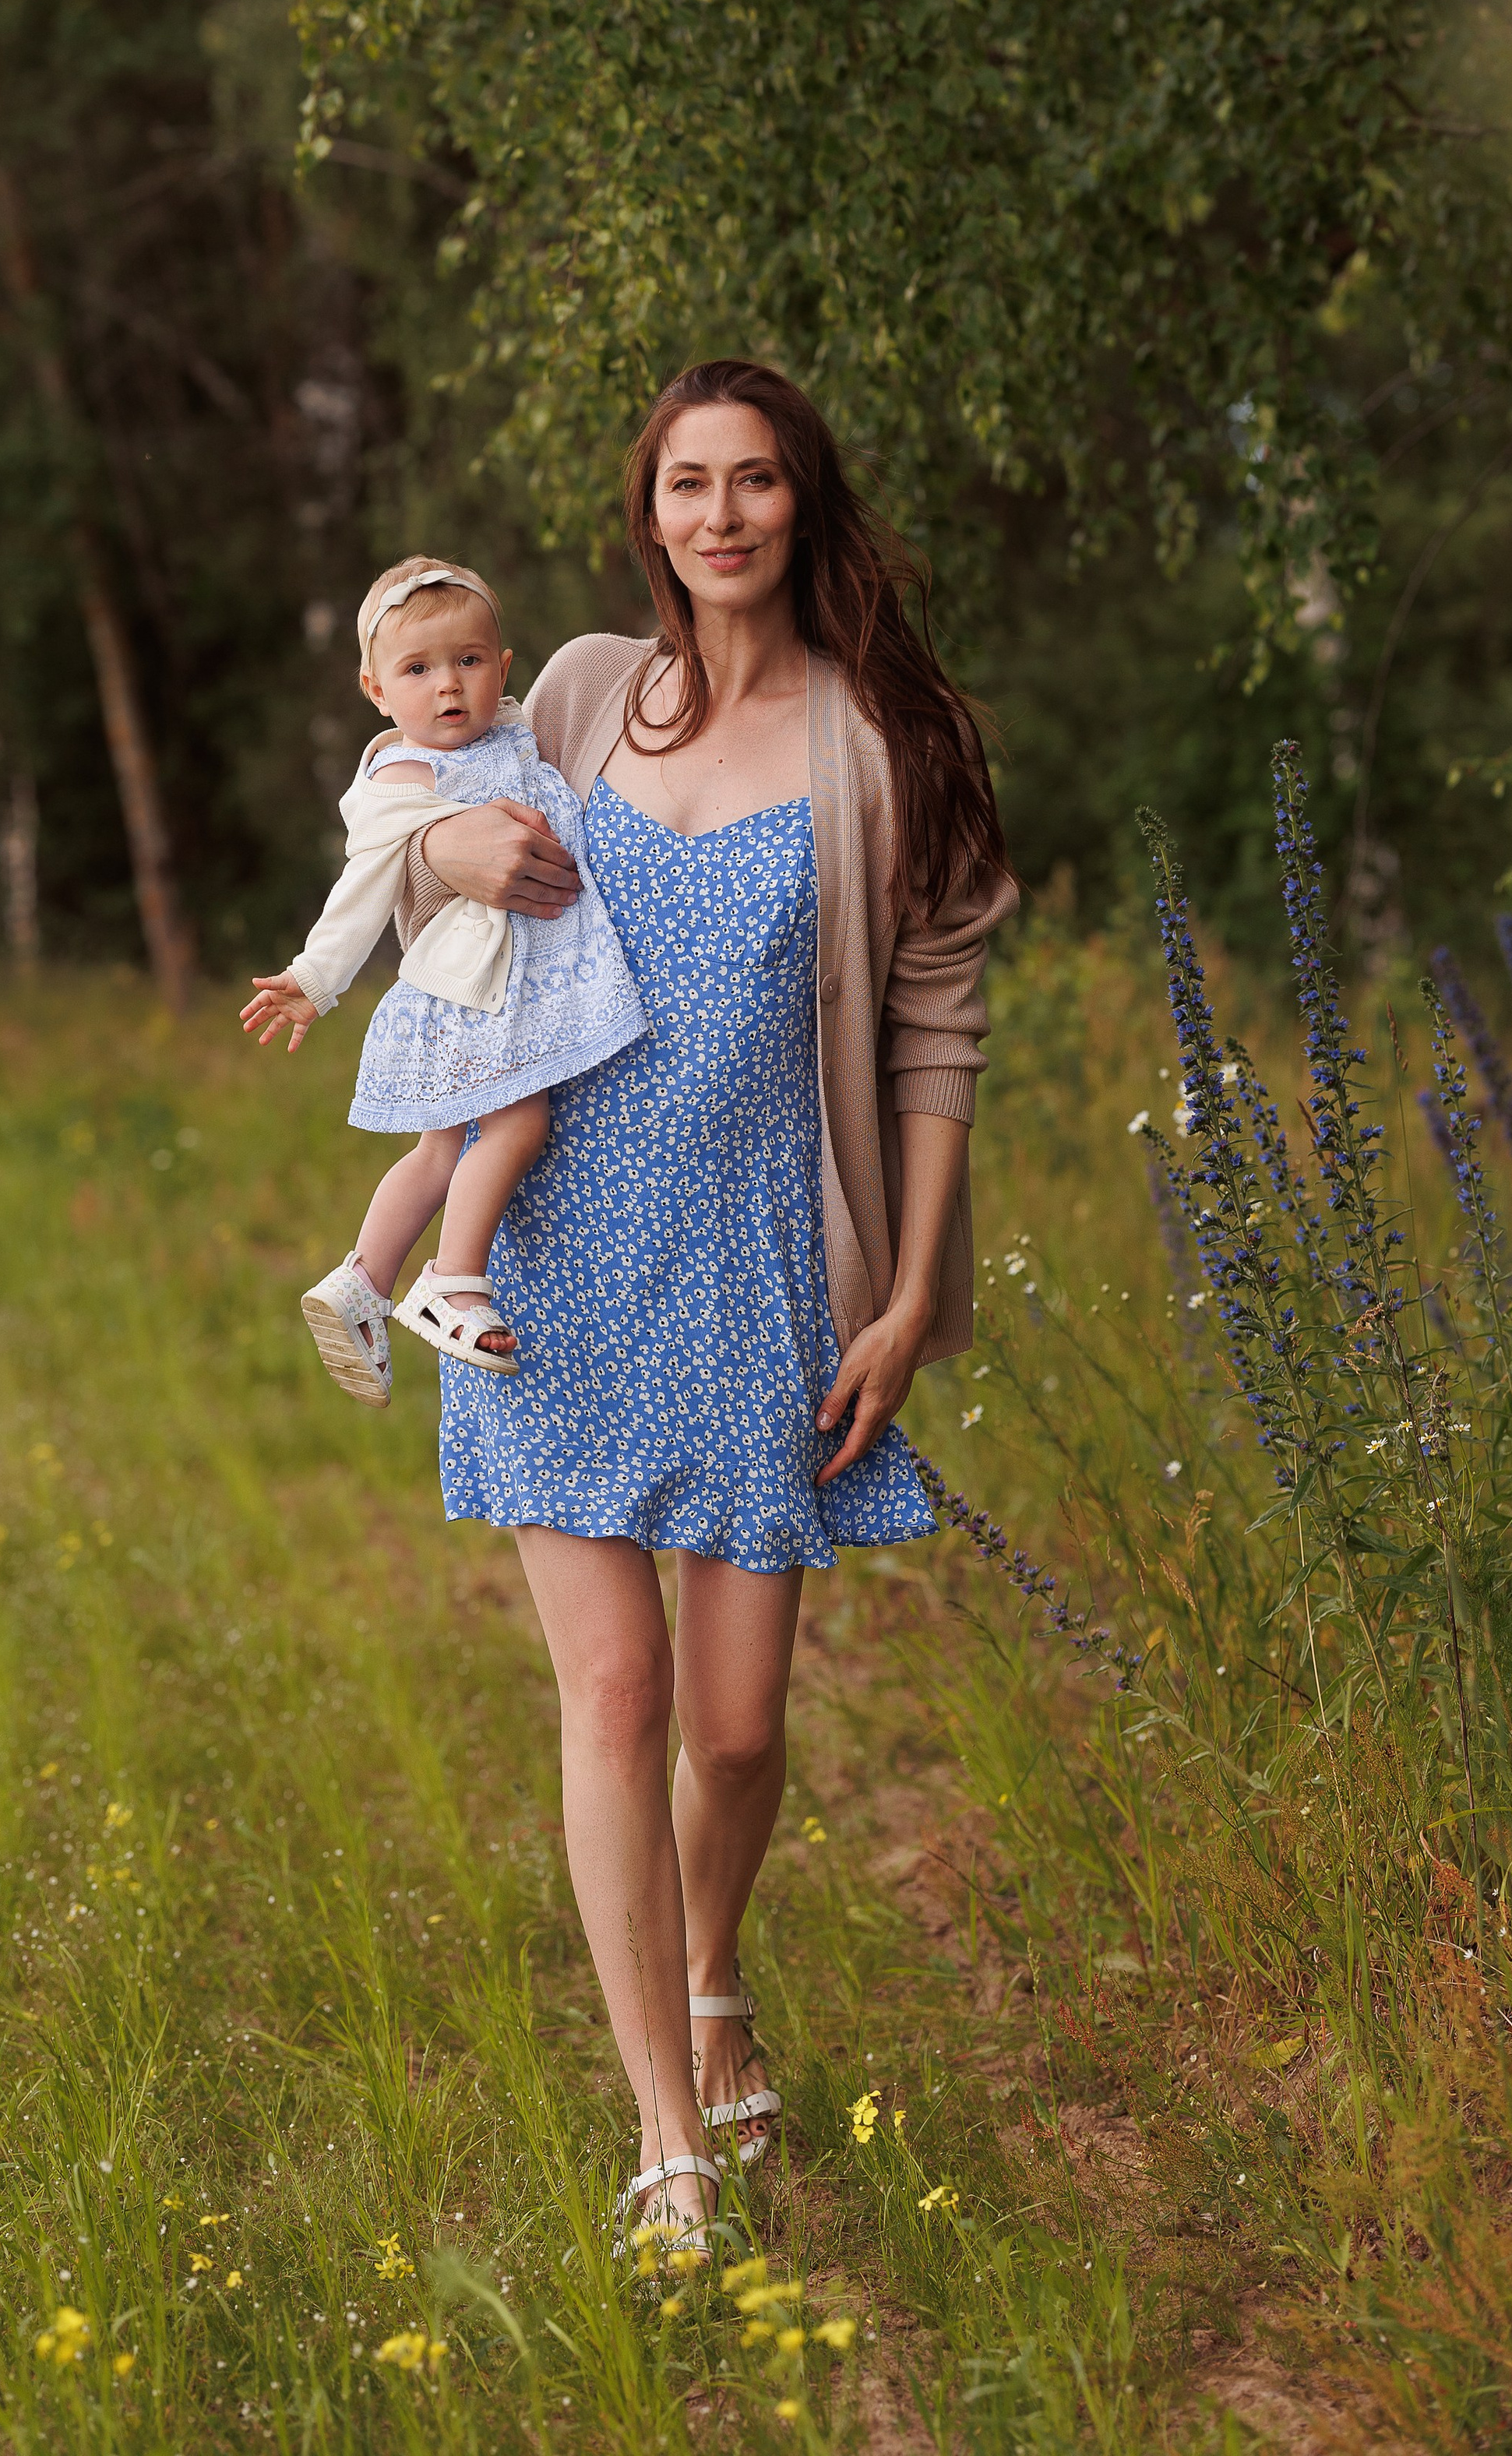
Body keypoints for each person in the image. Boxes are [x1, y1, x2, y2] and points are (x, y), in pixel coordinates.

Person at [395, 361, 1017, 2245]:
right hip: (554, 1257)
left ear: (799, 500)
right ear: (647, 509)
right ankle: (665, 2134)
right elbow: (413, 809)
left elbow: (933, 1036)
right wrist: (435, 847)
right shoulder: (580, 692)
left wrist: (901, 1303)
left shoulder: (882, 740)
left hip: (760, 1269)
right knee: (615, 1687)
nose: (720, 515)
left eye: (753, 480)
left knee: (734, 1731)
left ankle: (711, 1968)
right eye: (687, 483)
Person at [241, 555, 647, 1395]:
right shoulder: (404, 775)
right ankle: (453, 1282)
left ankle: (363, 1280)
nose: (448, 685)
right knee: (516, 1127)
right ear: (375, 690)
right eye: (417, 670)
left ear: (504, 668)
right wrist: (314, 979)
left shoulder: (512, 735)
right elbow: (361, 888)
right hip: (479, 993)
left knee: (439, 1149)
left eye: (468, 660)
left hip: (490, 984)